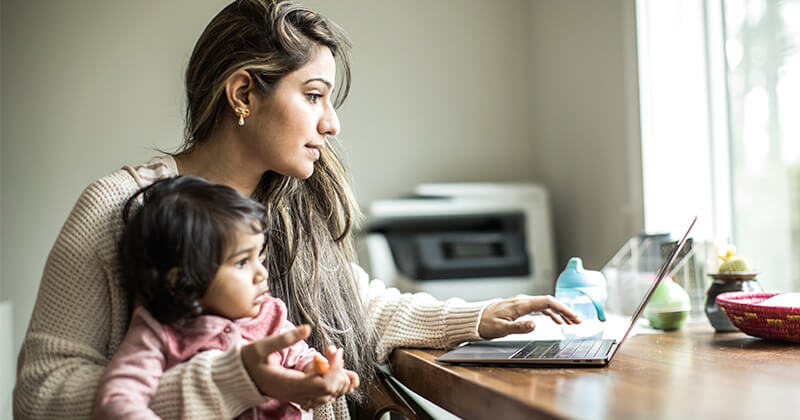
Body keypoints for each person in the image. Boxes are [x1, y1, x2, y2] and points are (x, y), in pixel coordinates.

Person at [13, 1, 580, 419]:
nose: (331, 124)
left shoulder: (292, 205)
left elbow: (358, 306)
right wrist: (231, 382)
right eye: (313, 96)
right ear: (242, 94)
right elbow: (42, 394)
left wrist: (478, 319)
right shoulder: (117, 209)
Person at [92, 175, 358, 420]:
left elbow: (300, 358)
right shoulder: (159, 332)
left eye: (260, 257)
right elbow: (116, 400)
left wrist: (317, 372)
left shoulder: (269, 316)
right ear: (181, 281)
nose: (261, 274)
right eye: (242, 262)